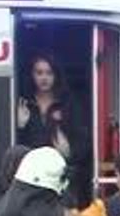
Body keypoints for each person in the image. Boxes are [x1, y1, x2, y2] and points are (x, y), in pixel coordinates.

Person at [16, 53, 94, 208]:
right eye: (39, 73)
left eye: (49, 73)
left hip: (62, 179)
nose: (44, 78)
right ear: (31, 75)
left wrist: (68, 149)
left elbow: (84, 144)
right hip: (32, 178)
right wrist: (20, 126)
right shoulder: (23, 102)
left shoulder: (68, 103)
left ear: (56, 75)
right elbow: (14, 146)